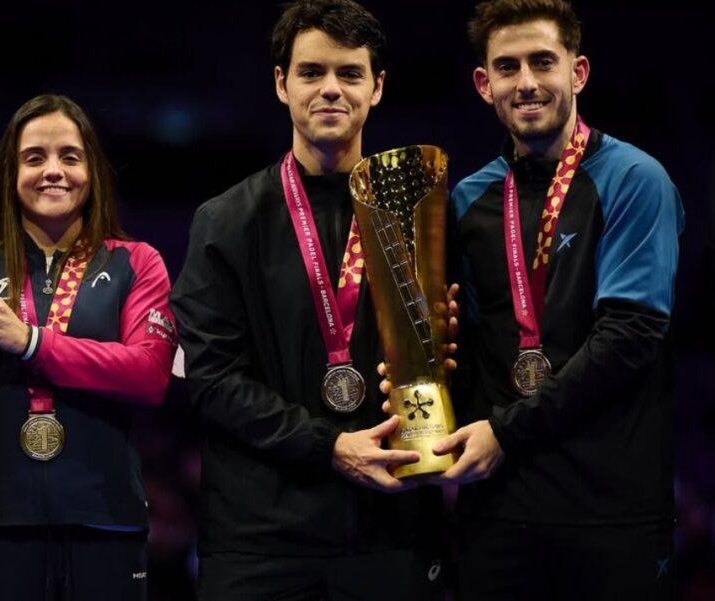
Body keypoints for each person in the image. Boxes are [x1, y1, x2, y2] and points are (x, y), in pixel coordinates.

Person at [169, 1, 445, 598]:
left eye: (350, 74)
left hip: (389, 531)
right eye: (311, 72)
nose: (330, 90)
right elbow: (212, 381)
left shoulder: (416, 214)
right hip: (258, 543)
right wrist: (330, 447)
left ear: (377, 89)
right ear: (280, 83)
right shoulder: (225, 222)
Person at [438, 0, 684, 598]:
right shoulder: (466, 199)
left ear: (578, 72)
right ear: (483, 83)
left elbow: (629, 338)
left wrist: (504, 434)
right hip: (495, 515)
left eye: (542, 62)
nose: (525, 83)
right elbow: (465, 352)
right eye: (507, 66)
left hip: (610, 515)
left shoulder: (634, 179)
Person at [0, 94, 177, 601]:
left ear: (92, 170)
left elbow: (149, 372)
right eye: (34, 158)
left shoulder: (136, 262)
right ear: (10, 173)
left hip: (106, 516)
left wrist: (30, 342)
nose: (53, 171)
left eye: (70, 157)